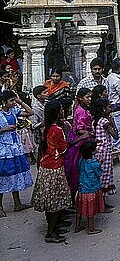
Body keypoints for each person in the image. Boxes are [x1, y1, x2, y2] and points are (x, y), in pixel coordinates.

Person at [30, 100, 72, 243]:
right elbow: (63, 149)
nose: (63, 111)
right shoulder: (58, 130)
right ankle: (50, 232)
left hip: (46, 167)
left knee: (50, 202)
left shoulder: (47, 128)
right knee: (55, 202)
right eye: (61, 109)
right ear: (56, 113)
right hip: (54, 168)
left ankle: (53, 228)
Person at [0, 90, 34, 217]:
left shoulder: (14, 111)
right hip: (4, 149)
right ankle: (0, 206)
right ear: (4, 102)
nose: (14, 103)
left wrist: (21, 102)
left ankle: (17, 203)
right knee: (3, 175)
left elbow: (30, 112)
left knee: (16, 173)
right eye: (11, 101)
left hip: (15, 147)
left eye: (14, 100)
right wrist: (4, 129)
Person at [64, 87, 95, 200]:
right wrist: (91, 133)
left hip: (83, 138)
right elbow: (79, 129)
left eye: (90, 97)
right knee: (79, 169)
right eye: (87, 97)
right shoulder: (81, 111)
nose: (90, 99)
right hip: (81, 141)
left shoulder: (81, 108)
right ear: (80, 98)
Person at [92, 98, 119, 205]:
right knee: (105, 174)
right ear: (103, 109)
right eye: (108, 107)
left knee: (100, 174)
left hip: (98, 149)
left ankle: (100, 201)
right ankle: (102, 202)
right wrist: (113, 123)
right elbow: (115, 136)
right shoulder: (105, 121)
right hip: (105, 150)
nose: (110, 109)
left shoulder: (95, 120)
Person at [75, 140, 104, 234]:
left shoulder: (81, 160)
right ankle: (91, 229)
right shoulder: (94, 163)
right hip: (91, 188)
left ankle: (77, 226)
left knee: (79, 208)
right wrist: (100, 163)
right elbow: (99, 173)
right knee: (90, 210)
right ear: (92, 151)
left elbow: (79, 169)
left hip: (82, 187)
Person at [106, 58, 120, 149]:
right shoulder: (117, 80)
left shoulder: (109, 77)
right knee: (118, 128)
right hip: (118, 106)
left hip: (111, 106)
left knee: (115, 126)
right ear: (119, 68)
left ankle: (114, 146)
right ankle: (116, 148)